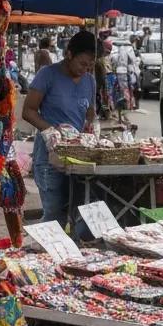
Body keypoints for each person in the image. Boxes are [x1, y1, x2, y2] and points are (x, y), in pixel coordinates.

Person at [21, 30, 97, 226]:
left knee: (78, 211)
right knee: (54, 214)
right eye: (82, 63)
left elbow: (89, 110)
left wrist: (92, 123)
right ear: (69, 54)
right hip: (49, 156)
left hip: (76, 155)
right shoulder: (47, 74)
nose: (85, 69)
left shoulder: (90, 81)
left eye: (89, 65)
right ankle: (50, 252)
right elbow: (28, 111)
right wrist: (49, 130)